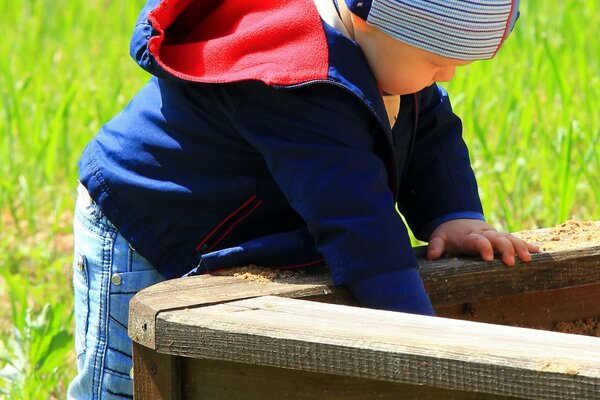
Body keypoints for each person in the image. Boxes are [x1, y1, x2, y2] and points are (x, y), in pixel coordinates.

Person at [68, 0, 538, 397]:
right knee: (126, 379)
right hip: (143, 221)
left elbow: (429, 128)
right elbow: (359, 224)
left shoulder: (388, 53)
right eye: (438, 59)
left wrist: (453, 214)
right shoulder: (298, 77)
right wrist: (429, 347)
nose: (450, 75)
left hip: (237, 214)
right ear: (375, 22)